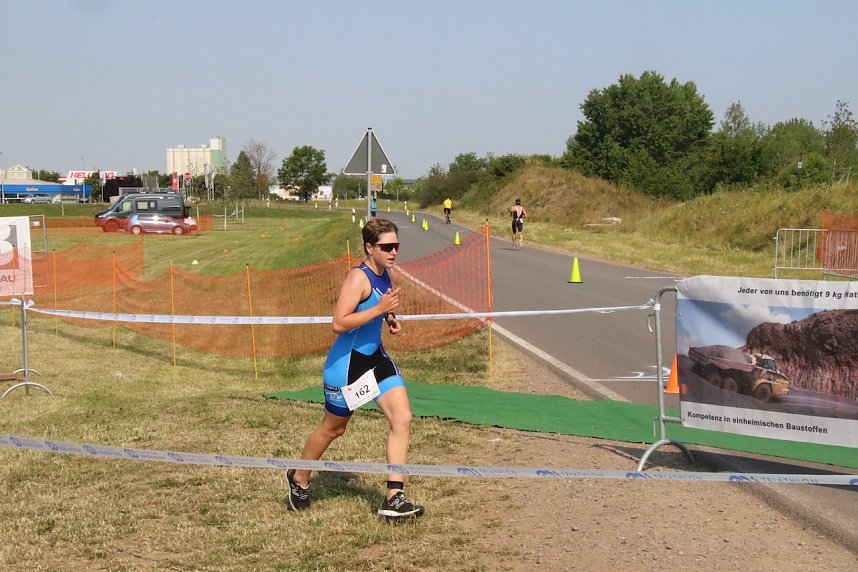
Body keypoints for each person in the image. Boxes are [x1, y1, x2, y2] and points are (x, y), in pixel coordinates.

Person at [286, 218, 425, 519]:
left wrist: (389, 318)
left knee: (402, 418)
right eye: (387, 247)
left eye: (396, 246)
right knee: (334, 428)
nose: (394, 252)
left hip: (375, 358)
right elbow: (339, 323)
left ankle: (394, 497)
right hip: (347, 366)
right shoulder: (357, 278)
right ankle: (299, 476)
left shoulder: (385, 272)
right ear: (369, 247)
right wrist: (379, 309)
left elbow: (378, 307)